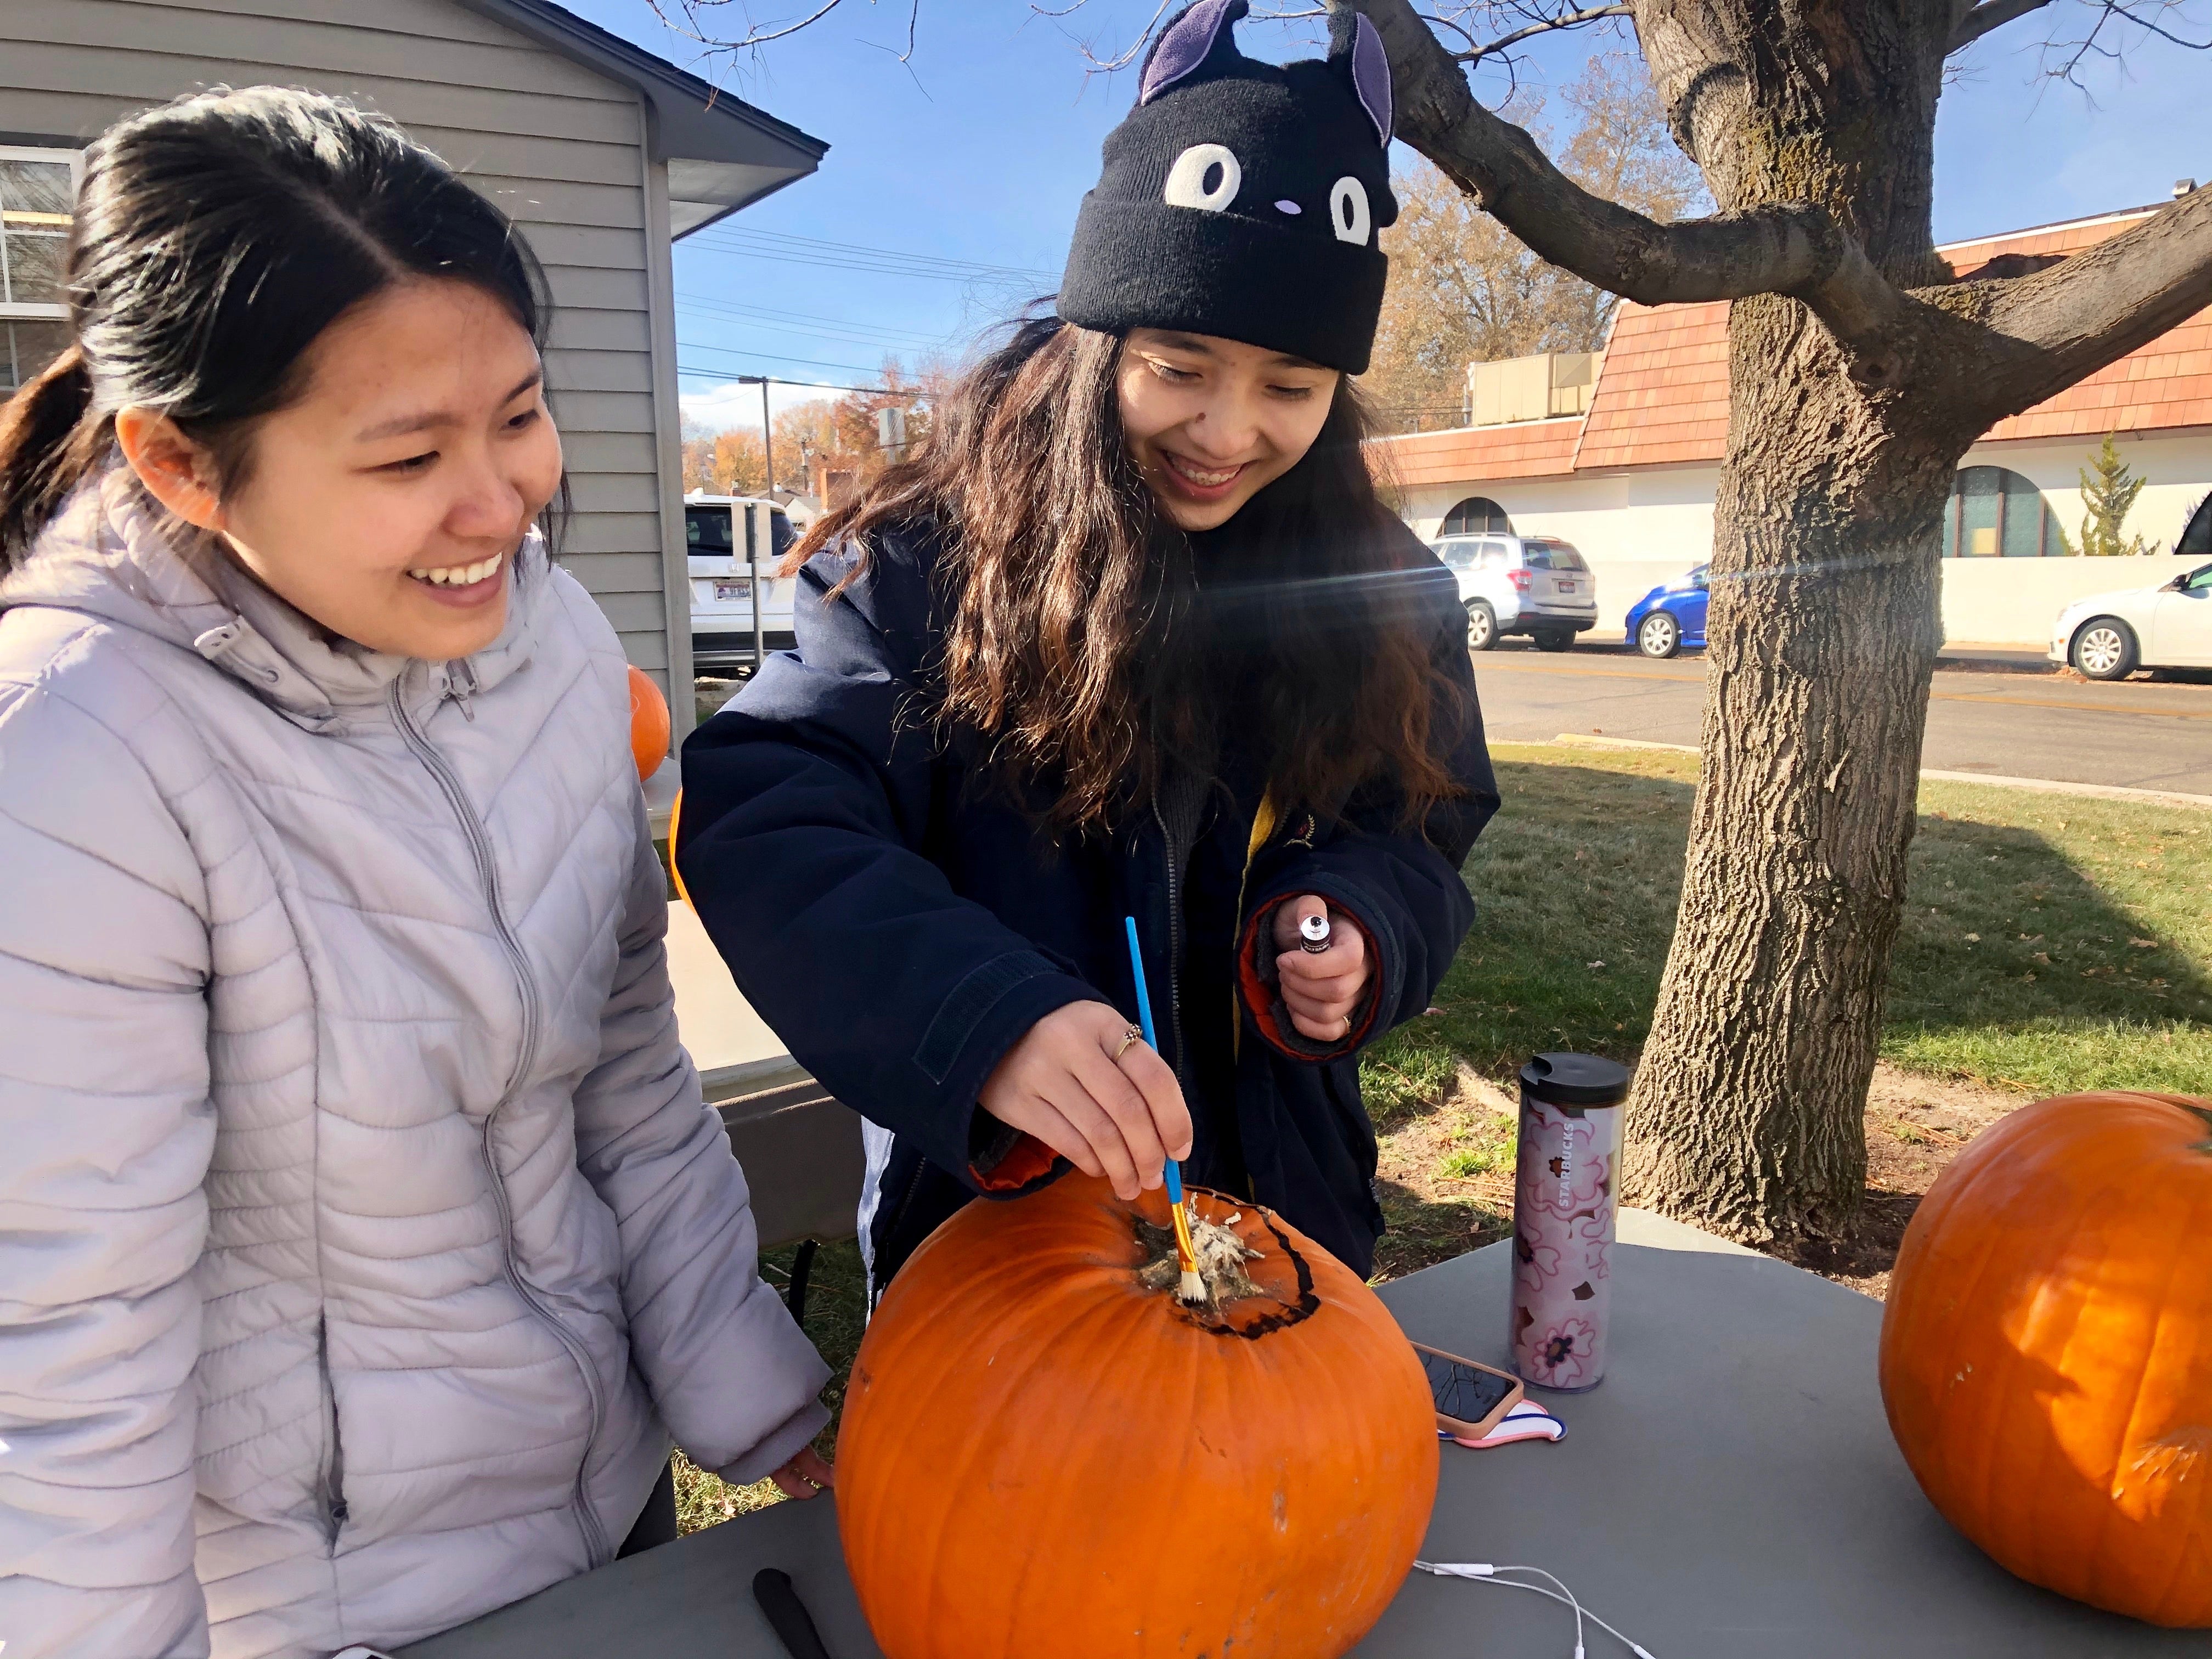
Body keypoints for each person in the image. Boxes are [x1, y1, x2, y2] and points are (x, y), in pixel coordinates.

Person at [0, 89, 830, 1659]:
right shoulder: (69, 752)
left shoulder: (557, 643)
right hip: (324, 1601)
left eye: (517, 415)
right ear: (181, 464)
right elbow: (63, 1340)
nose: (500, 504)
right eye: (407, 456)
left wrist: (750, 1389)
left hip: (601, 1492)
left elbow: (630, 1084)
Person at [678, 0, 1499, 1295]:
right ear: (1098, 338)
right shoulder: (927, 562)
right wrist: (982, 1021)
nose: (1227, 431)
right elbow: (771, 812)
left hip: (1291, 1208)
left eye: (1289, 388)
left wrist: (1363, 924)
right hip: (1004, 1239)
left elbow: (1423, 819)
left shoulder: (1381, 589)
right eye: (1181, 365)